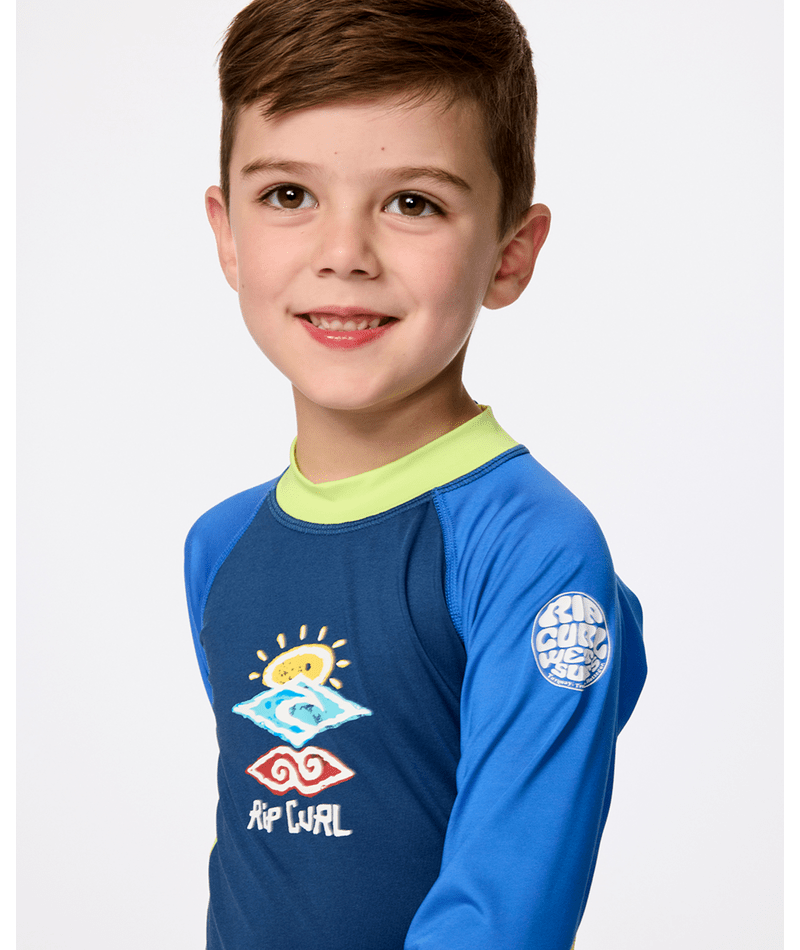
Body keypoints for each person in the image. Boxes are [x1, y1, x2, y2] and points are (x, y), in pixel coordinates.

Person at [184, 1, 647, 947]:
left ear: (510, 254)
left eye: (413, 204)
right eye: (288, 195)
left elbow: (505, 911)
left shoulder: (534, 552)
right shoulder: (219, 548)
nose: (343, 256)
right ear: (227, 233)